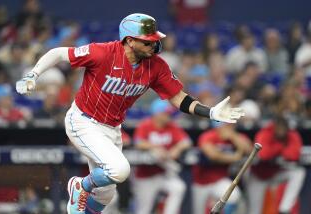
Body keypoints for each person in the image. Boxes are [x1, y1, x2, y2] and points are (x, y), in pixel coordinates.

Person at [15, 13, 245, 214]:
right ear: (129, 40)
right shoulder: (103, 52)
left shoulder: (156, 65)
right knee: (119, 170)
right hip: (84, 121)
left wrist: (211, 111)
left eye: (155, 41)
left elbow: (178, 98)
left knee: (105, 195)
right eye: (148, 42)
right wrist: (33, 74)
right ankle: (80, 185)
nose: (153, 46)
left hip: (112, 128)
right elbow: (58, 53)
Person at [133, 98, 191, 214]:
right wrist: (155, 147)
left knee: (178, 187)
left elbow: (187, 141)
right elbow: (138, 143)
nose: (169, 115)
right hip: (146, 176)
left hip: (164, 173)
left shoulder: (172, 126)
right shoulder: (146, 125)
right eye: (166, 113)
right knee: (144, 210)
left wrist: (177, 148)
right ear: (157, 113)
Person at [246, 116, 306, 214]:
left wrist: (278, 150)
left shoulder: (292, 135)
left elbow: (294, 155)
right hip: (258, 176)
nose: (281, 131)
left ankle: (284, 209)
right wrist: (279, 147)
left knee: (298, 172)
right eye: (278, 128)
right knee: (255, 211)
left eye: (283, 129)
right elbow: (263, 154)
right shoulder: (265, 133)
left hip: (276, 173)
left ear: (287, 129)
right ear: (274, 127)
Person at [192, 122, 252, 214]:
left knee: (234, 196)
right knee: (198, 211)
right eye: (226, 124)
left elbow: (249, 150)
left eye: (231, 125)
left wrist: (233, 137)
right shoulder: (209, 135)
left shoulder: (235, 137)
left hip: (219, 179)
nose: (229, 127)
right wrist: (234, 158)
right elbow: (212, 155)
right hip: (201, 181)